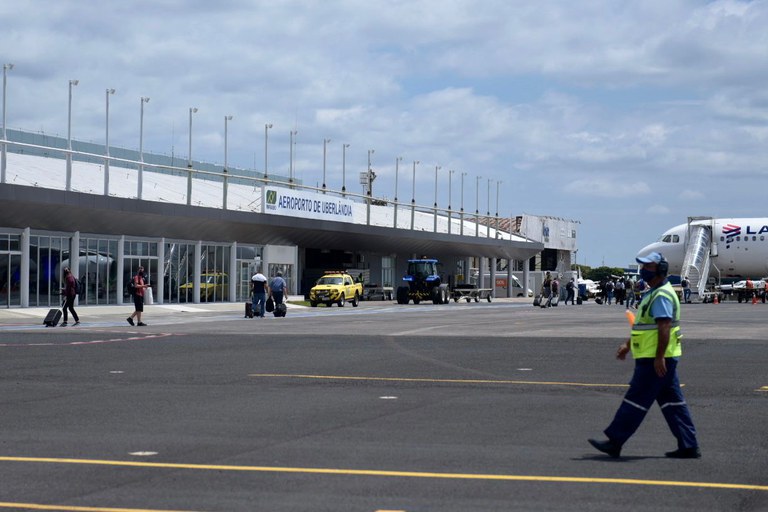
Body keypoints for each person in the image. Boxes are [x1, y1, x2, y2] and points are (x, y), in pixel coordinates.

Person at [588, 252, 700, 459]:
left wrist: (659, 357)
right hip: (658, 357)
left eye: (648, 267)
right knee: (672, 403)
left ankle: (615, 440)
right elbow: (643, 326)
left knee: (636, 400)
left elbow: (664, 327)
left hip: (655, 359)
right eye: (643, 267)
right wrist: (628, 345)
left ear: (661, 270)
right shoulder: (651, 294)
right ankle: (688, 444)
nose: (643, 271)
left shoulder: (661, 295)